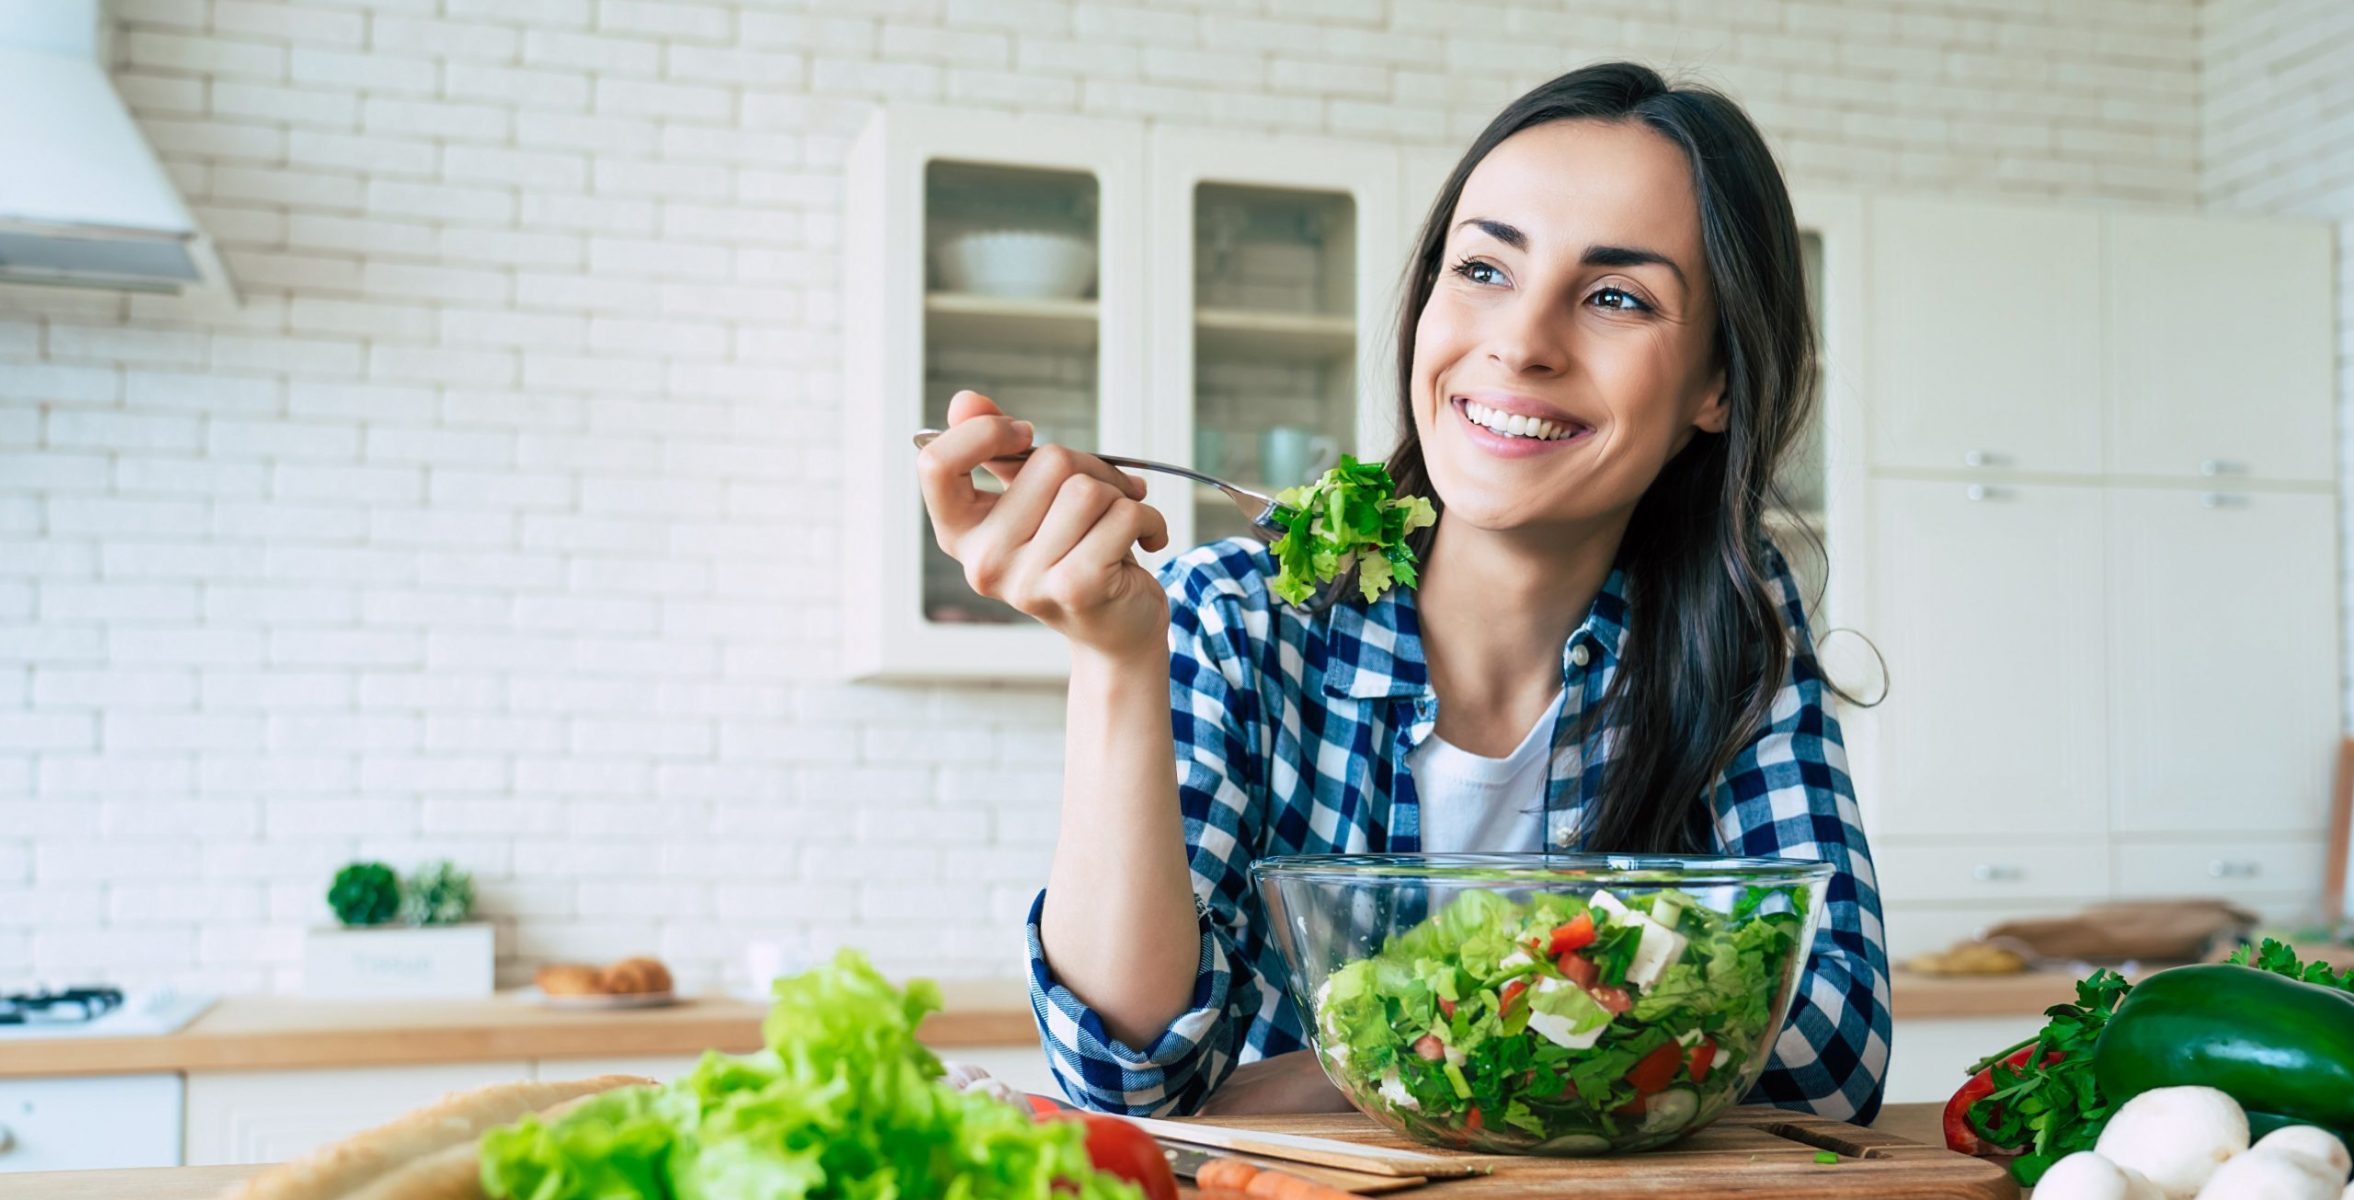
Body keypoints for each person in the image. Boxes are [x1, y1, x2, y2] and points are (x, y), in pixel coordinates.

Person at [915, 61, 1889, 1124]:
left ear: (1714, 384)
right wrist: (1111, 657)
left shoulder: (1734, 627)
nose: (1519, 342)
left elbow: (1828, 1050)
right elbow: (1131, 1077)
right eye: (1481, 270)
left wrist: (1345, 1067)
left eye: (1614, 296)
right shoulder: (1236, 615)